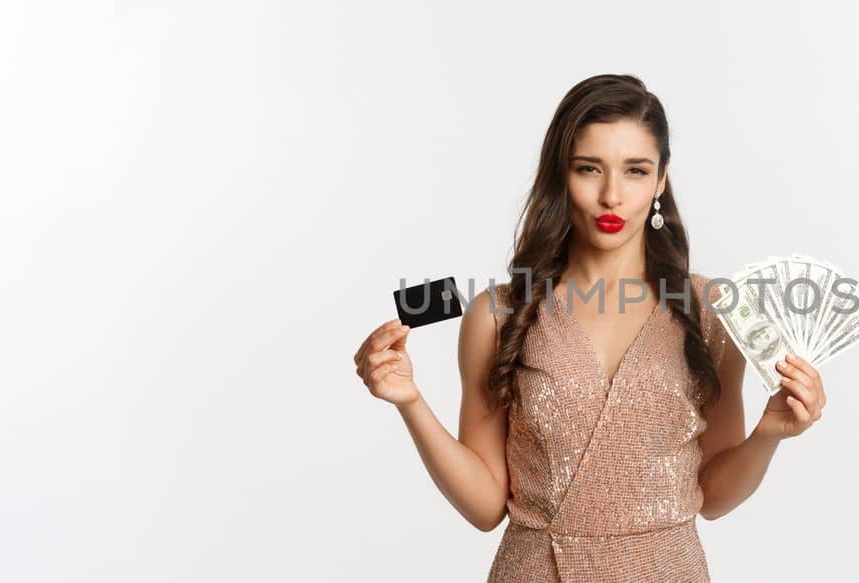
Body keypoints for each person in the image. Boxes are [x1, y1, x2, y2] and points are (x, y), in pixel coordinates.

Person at [354, 74, 828, 582]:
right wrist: (410, 402)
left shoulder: (710, 310)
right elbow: (486, 506)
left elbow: (712, 497)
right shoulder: (498, 314)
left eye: (636, 171)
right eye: (588, 169)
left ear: (661, 180)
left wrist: (769, 434)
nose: (611, 195)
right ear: (561, 175)